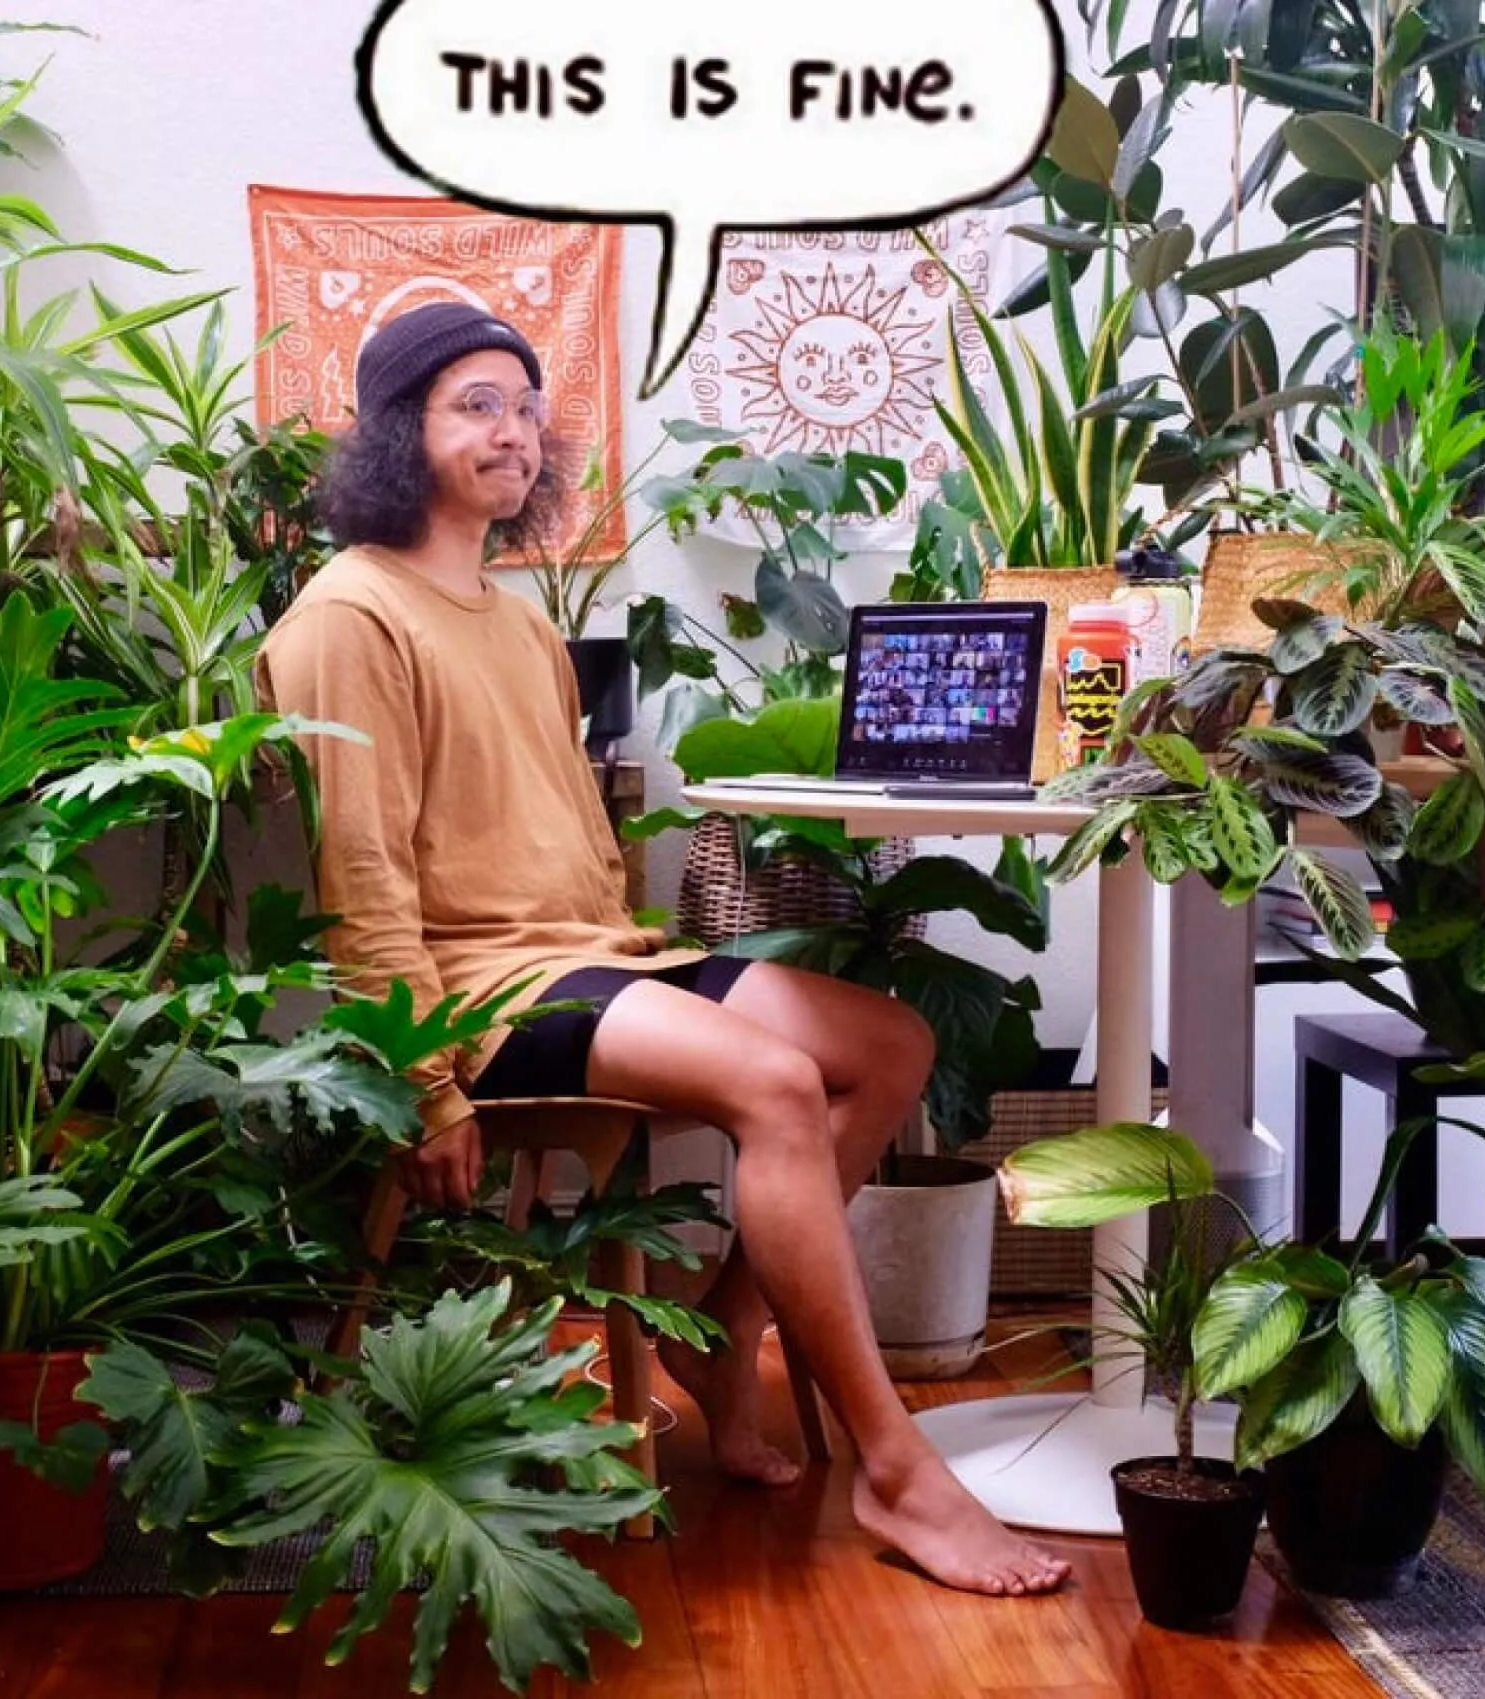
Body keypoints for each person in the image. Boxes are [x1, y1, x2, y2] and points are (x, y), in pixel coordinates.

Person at [254, 300, 1071, 1600]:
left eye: (526, 407)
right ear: (397, 429)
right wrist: (422, 1077)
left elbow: (569, 829)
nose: (514, 430)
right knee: (777, 1084)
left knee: (888, 1042)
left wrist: (662, 957)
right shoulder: (346, 618)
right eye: (477, 403)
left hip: (590, 956)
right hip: (475, 991)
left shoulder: (517, 618)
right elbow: (359, 877)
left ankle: (725, 1329)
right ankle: (897, 1469)